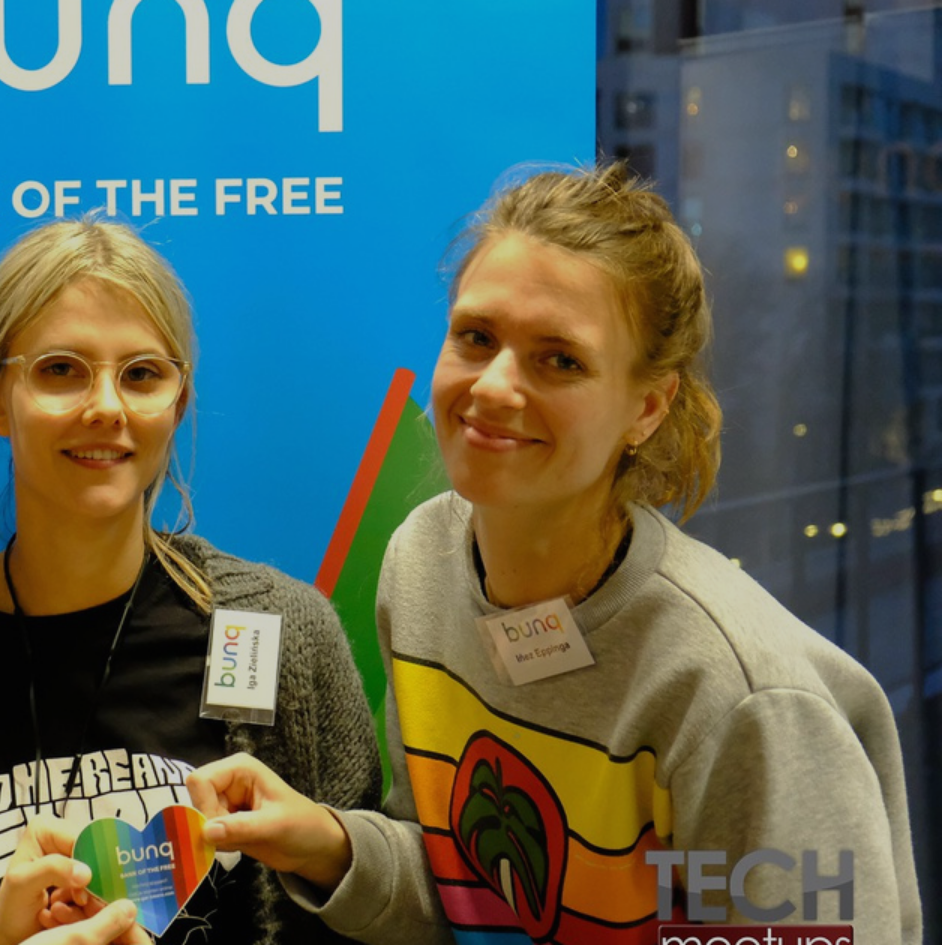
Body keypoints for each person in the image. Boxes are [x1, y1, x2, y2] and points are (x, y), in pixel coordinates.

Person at [185, 163, 923, 944]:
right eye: (476, 338)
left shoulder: (738, 698)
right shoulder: (422, 564)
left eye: (560, 359)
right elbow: (469, 892)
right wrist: (330, 843)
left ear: (648, 406)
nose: (493, 387)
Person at [0, 218, 381, 945]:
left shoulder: (282, 635)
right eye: (61, 370)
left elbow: (368, 919)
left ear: (178, 403)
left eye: (141, 374)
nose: (106, 406)